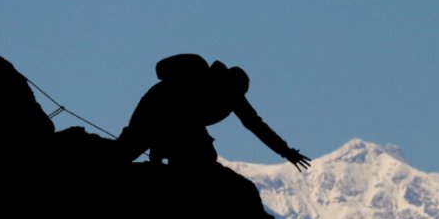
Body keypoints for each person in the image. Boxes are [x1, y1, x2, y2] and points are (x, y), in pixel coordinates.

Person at [117, 54, 311, 169]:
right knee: (126, 152)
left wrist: (286, 152)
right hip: (155, 113)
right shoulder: (200, 84)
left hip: (168, 119)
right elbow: (180, 117)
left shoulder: (230, 94)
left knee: (200, 156)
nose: (238, 99)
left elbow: (256, 125)